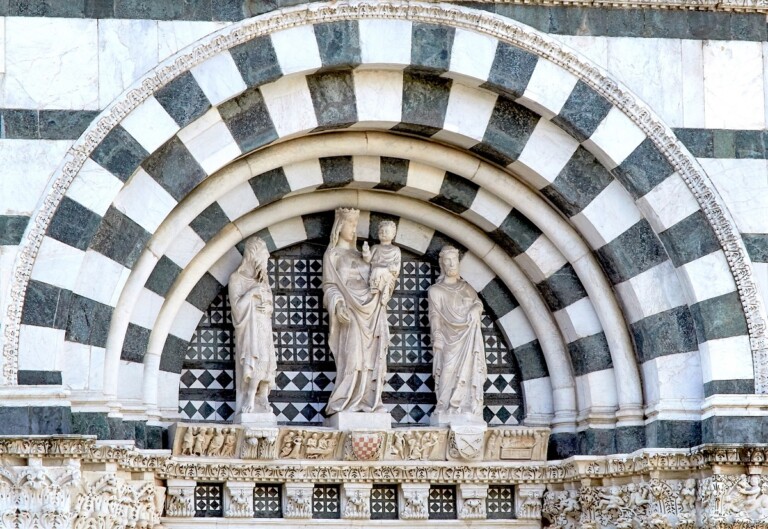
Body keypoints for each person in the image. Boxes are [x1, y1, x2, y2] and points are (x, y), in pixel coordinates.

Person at [323, 208, 391, 414]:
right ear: (340, 226)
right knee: (352, 355)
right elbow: (329, 286)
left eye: (355, 224)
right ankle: (346, 400)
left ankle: (369, 400)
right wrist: (338, 304)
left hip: (372, 310)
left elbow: (379, 280)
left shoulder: (364, 255)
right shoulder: (332, 255)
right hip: (350, 311)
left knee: (372, 358)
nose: (354, 229)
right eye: (351, 224)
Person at [428, 245, 487, 420]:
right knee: (447, 370)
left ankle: (467, 405)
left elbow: (477, 303)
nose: (452, 264)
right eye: (448, 261)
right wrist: (437, 334)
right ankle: (445, 406)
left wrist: (476, 309)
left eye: (454, 260)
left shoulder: (466, 287)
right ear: (442, 265)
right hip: (447, 338)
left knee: (469, 369)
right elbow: (434, 316)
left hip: (467, 336)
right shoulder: (435, 291)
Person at [229, 236, 277, 415]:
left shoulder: (263, 281)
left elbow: (270, 305)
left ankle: (262, 396)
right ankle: (249, 396)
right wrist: (251, 293)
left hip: (263, 327)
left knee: (267, 360)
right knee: (256, 360)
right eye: (264, 256)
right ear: (254, 255)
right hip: (249, 330)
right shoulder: (237, 279)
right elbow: (237, 309)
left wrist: (268, 306)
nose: (266, 259)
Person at [362, 220, 401, 307]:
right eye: (381, 231)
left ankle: (384, 290)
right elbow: (367, 260)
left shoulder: (395, 249)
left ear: (393, 234)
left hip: (388, 272)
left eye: (386, 231)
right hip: (374, 273)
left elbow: (397, 266)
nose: (383, 233)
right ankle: (375, 287)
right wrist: (366, 251)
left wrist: (393, 268)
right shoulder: (375, 247)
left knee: (378, 270)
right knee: (376, 270)